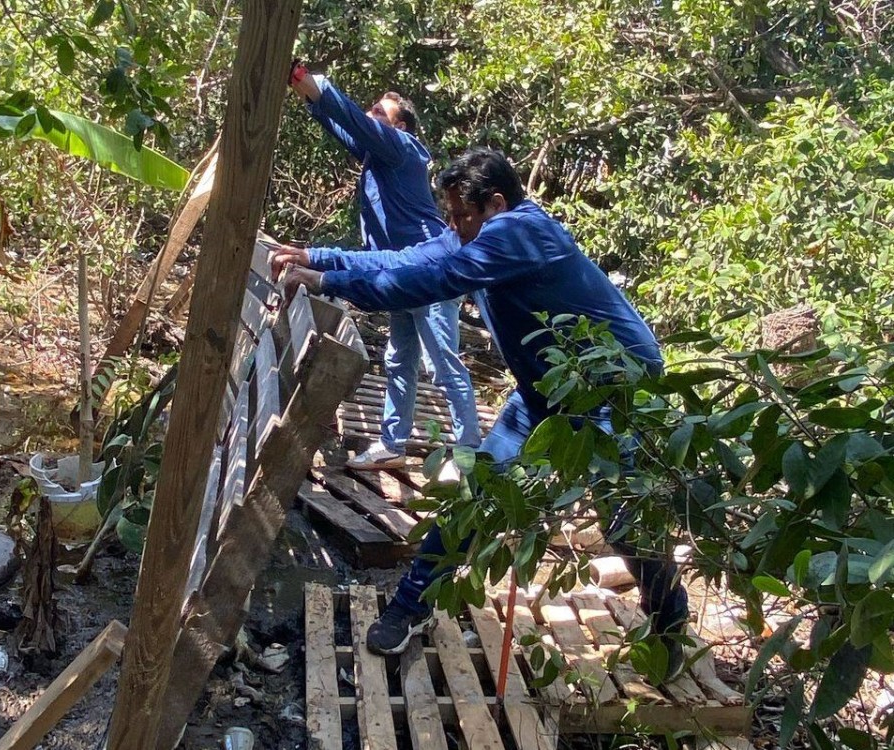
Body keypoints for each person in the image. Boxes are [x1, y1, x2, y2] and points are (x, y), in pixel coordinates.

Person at [275, 148, 689, 678]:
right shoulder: (479, 232)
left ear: (495, 203)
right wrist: (320, 257)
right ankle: (410, 606)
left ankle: (670, 625)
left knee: (626, 518)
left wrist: (327, 284)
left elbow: (434, 281)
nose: (454, 227)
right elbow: (411, 260)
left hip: (616, 390)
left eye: (461, 216)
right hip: (546, 390)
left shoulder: (519, 233)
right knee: (478, 492)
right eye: (450, 216)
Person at [286, 65, 480, 470]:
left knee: (441, 364)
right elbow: (339, 123)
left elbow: (353, 120)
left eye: (380, 112)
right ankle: (393, 443)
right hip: (395, 271)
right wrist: (303, 91)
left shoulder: (403, 149)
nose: (371, 116)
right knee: (398, 358)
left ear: (401, 127)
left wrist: (309, 79)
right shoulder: (380, 158)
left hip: (430, 273)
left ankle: (467, 455)